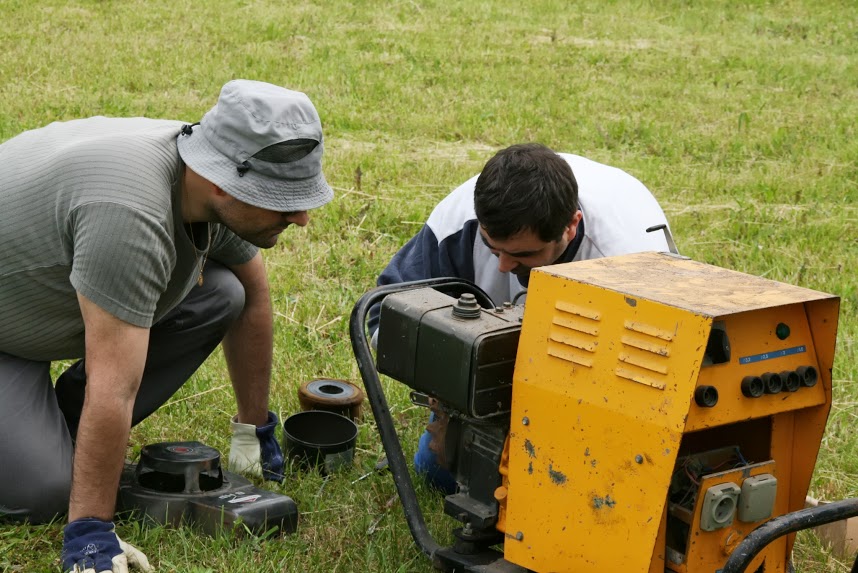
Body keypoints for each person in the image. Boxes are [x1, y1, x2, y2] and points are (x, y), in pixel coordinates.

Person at [0, 79, 334, 572]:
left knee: (222, 292)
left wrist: (253, 426)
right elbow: (114, 384)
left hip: (34, 305)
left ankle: (51, 430)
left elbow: (252, 294)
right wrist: (91, 531)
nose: (303, 217)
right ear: (223, 182)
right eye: (284, 200)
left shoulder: (203, 177)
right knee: (47, 491)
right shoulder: (129, 213)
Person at [370, 143, 672, 493]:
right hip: (490, 385)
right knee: (437, 474)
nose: (502, 266)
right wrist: (449, 380)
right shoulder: (461, 218)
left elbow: (652, 385)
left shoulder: (629, 261)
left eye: (523, 254)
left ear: (570, 227)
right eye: (492, 247)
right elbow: (384, 317)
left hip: (596, 395)